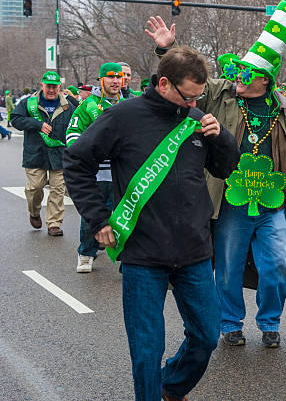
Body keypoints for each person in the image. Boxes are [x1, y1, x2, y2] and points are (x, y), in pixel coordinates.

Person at [63, 46, 241, 401]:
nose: (193, 103)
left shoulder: (196, 117)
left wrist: (220, 136)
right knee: (147, 351)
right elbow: (76, 161)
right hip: (143, 253)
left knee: (206, 336)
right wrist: (98, 219)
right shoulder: (123, 117)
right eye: (188, 95)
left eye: (198, 96)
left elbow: (224, 168)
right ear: (163, 84)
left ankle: (171, 386)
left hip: (193, 250)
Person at [147, 0, 286, 348]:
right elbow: (186, 79)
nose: (238, 77)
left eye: (247, 74)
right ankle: (230, 323)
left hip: (272, 205)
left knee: (277, 267)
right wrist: (168, 47)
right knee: (227, 267)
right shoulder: (220, 93)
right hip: (229, 202)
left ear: (265, 80)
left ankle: (270, 322)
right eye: (236, 71)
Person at [66, 62, 125, 273]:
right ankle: (86, 253)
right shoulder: (88, 105)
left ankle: (124, 258)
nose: (115, 81)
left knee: (124, 214)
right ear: (101, 80)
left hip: (122, 173)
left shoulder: (129, 104)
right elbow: (72, 134)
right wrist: (84, 156)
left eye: (118, 77)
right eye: (110, 77)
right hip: (97, 172)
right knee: (93, 213)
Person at [11, 71, 75, 236]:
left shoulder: (69, 103)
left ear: (59, 87)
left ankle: (54, 223)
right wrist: (36, 124)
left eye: (54, 87)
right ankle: (34, 212)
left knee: (57, 189)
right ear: (42, 86)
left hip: (60, 154)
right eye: (48, 86)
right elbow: (15, 119)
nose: (51, 90)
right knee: (35, 187)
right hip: (35, 153)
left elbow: (79, 120)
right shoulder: (28, 103)